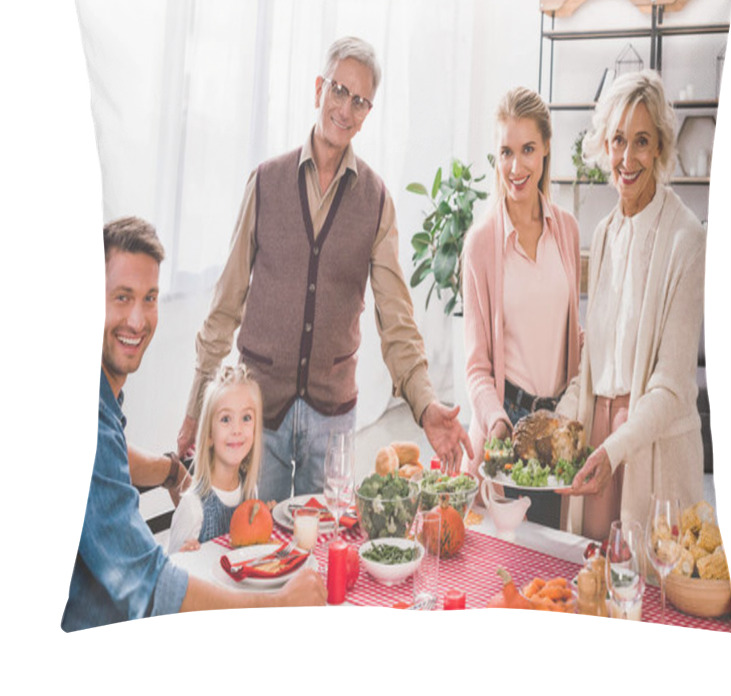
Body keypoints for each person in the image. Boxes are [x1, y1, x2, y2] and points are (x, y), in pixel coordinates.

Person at [176, 36, 473, 500]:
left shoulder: (376, 200)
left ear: (368, 112)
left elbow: (397, 321)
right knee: (255, 549)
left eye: (360, 101)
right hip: (258, 409)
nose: (345, 109)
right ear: (318, 90)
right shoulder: (266, 182)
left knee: (322, 553)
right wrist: (197, 406)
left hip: (331, 420)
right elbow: (225, 303)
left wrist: (426, 404)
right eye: (338, 91)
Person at [62, 217, 326, 632]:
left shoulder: (95, 394)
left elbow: (108, 455)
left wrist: (169, 470)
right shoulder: (85, 419)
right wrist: (279, 606)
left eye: (149, 298)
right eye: (121, 297)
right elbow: (151, 591)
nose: (137, 319)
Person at [555, 69, 705, 541]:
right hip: (597, 436)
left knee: (646, 589)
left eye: (641, 141)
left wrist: (614, 447)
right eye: (618, 140)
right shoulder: (602, 234)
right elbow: (591, 365)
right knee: (591, 587)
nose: (627, 156)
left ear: (660, 147)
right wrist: (556, 423)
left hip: (650, 448)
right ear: (604, 144)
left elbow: (673, 384)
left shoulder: (688, 238)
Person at [462, 86, 582, 528]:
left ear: (546, 148)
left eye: (528, 149)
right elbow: (476, 367)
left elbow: (573, 335)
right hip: (505, 426)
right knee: (504, 565)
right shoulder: (480, 246)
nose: (516, 167)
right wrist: (496, 424)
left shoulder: (567, 231)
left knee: (550, 558)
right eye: (506, 152)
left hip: (558, 427)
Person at [168, 364, 271, 553]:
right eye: (225, 419)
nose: (237, 429)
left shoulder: (249, 491)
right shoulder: (193, 509)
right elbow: (168, 576)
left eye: (246, 418)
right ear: (208, 435)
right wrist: (183, 558)